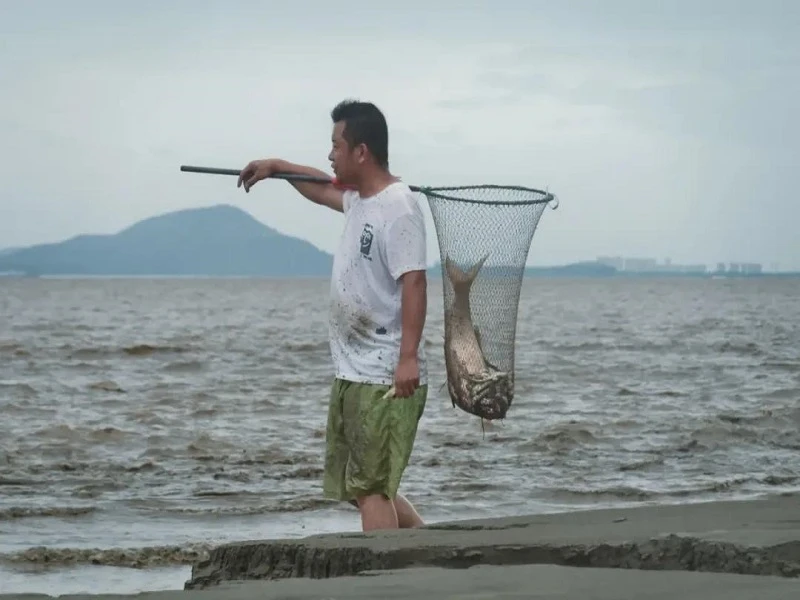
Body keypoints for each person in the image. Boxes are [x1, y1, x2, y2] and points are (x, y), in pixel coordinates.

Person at [236, 99, 428, 531]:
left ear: (361, 151)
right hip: (353, 369)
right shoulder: (360, 200)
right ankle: (423, 548)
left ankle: (384, 578)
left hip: (382, 371)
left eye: (336, 145)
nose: (330, 154)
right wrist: (277, 167)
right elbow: (322, 187)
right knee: (366, 483)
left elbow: (415, 282)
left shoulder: (399, 207)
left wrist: (408, 358)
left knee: (371, 488)